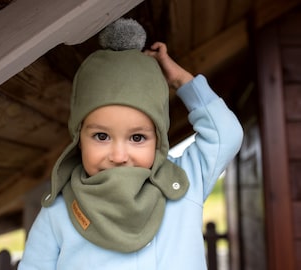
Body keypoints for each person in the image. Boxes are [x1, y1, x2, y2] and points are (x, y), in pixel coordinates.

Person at [18, 18, 243, 270]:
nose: (118, 155)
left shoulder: (186, 182)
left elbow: (226, 134)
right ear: (78, 138)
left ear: (159, 140)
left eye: (137, 138)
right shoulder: (59, 211)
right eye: (101, 136)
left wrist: (180, 80)